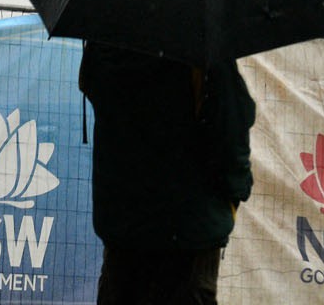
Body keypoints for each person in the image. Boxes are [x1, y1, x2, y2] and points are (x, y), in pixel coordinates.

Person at [78, 42, 257, 305]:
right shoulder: (200, 45)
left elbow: (95, 90)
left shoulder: (107, 40)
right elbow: (230, 131)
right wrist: (235, 193)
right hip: (189, 237)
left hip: (124, 234)